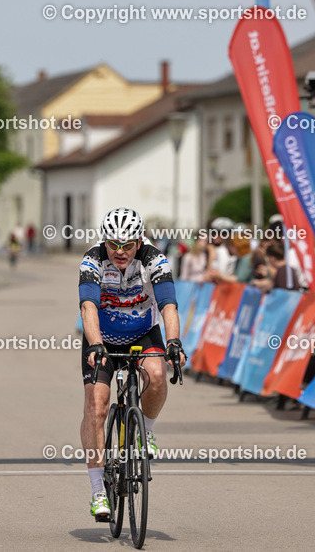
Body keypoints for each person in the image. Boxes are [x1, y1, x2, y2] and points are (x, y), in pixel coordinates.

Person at [78, 207, 185, 519]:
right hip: (103, 337)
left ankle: (146, 429)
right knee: (96, 407)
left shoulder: (154, 258)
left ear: (139, 241)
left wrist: (174, 341)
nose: (120, 251)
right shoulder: (93, 259)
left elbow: (168, 305)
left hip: (142, 332)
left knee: (157, 374)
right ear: (105, 241)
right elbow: (88, 305)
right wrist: (96, 343)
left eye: (127, 244)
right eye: (113, 244)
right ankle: (98, 490)